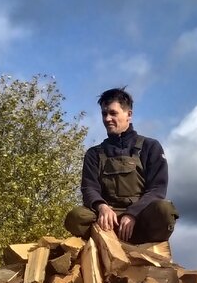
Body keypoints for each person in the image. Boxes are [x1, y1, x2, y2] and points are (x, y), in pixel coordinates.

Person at [64, 88, 178, 244]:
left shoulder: (150, 146)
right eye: (104, 114)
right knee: (75, 217)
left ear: (129, 115)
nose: (107, 118)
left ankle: (146, 246)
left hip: (141, 217)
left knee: (165, 211)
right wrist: (101, 207)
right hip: (107, 222)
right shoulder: (94, 153)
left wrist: (132, 214)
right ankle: (106, 242)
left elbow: (157, 189)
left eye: (113, 113)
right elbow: (89, 188)